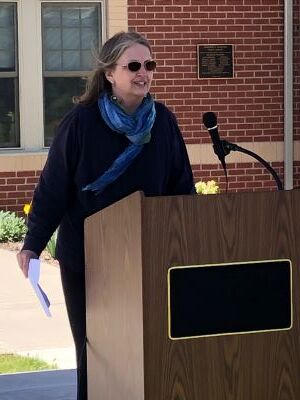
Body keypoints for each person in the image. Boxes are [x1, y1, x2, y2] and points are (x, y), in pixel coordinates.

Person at [17, 31, 195, 400]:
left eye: (149, 65)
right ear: (110, 73)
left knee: (149, 353)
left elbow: (181, 188)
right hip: (89, 261)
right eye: (133, 65)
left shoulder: (162, 122)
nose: (143, 72)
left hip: (150, 258)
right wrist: (32, 245)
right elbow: (53, 189)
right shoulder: (80, 123)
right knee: (97, 355)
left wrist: (191, 238)